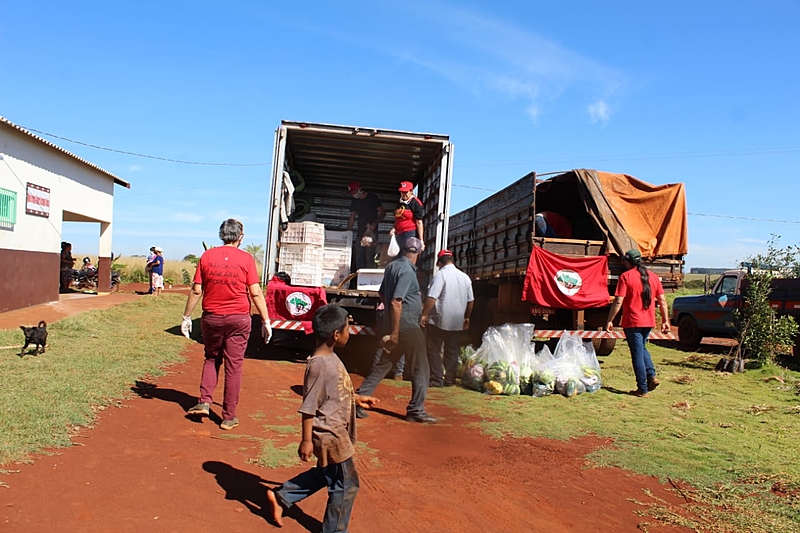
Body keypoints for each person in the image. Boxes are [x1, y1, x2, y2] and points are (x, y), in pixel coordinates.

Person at [266, 304, 379, 531]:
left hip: (334, 431)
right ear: (336, 335)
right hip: (330, 434)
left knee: (326, 473)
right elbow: (309, 406)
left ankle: (283, 496)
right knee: (347, 485)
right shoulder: (319, 365)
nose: (349, 333)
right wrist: (306, 440)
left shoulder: (330, 358)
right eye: (348, 329)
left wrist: (356, 398)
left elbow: (335, 390)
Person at [182, 219, 273, 430]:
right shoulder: (246, 259)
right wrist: (266, 320)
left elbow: (197, 290)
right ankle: (228, 416)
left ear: (221, 235)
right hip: (239, 319)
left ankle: (204, 401)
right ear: (240, 236)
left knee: (212, 357)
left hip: (212, 317)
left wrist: (187, 316)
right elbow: (256, 292)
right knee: (234, 365)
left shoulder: (207, 256)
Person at [355, 237, 436, 423]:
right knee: (421, 367)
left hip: (398, 325)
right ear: (419, 253)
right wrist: (396, 332)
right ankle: (416, 410)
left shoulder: (392, 267)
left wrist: (392, 324)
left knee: (385, 363)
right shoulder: (407, 271)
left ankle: (359, 399)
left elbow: (383, 293)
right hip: (407, 327)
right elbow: (395, 301)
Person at [605, 249, 670, 398]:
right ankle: (651, 376)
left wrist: (610, 320)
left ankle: (642, 388)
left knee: (637, 354)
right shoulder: (653, 277)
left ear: (627, 262)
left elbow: (618, 301)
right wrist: (666, 320)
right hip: (649, 321)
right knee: (641, 348)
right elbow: (662, 301)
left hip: (633, 321)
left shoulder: (625, 277)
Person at [420, 249, 475, 387]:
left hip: (439, 320)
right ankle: (449, 380)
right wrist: (467, 317)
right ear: (452, 260)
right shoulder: (465, 277)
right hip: (456, 321)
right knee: (452, 351)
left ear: (439, 262)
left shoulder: (440, 275)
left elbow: (432, 297)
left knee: (433, 349)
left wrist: (425, 314)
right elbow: (471, 301)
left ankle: (437, 379)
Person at [345, 181, 386, 271]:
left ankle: (369, 282)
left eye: (354, 192)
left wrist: (375, 223)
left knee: (369, 259)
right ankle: (358, 281)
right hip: (360, 233)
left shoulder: (372, 198)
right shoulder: (355, 202)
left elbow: (382, 213)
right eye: (351, 193)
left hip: (372, 234)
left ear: (360, 190)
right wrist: (348, 232)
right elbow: (352, 217)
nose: (353, 194)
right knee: (359, 258)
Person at [390, 181, 424, 253]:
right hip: (399, 233)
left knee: (406, 254)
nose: (403, 194)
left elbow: (419, 222)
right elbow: (397, 217)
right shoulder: (399, 202)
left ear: (411, 191)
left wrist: (421, 240)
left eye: (405, 192)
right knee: (397, 254)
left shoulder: (415, 203)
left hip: (410, 233)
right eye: (402, 192)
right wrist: (394, 228)